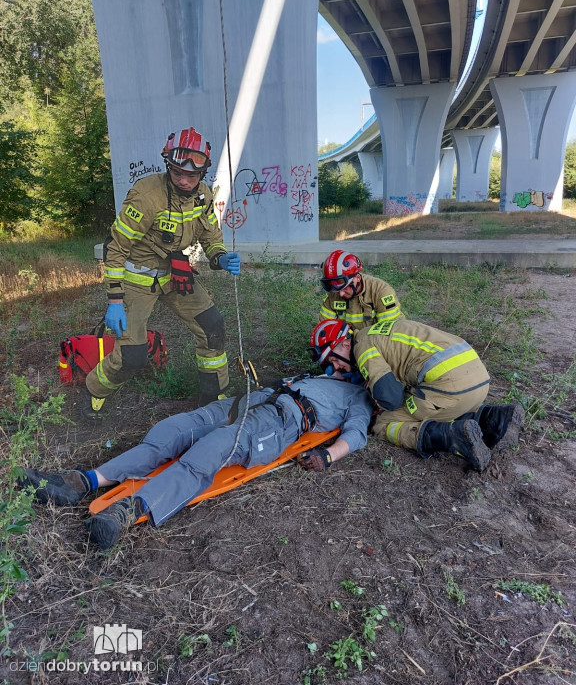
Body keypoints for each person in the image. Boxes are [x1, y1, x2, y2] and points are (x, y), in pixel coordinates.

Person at [22, 375, 373, 549]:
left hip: (278, 424)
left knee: (210, 449)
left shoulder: (357, 396)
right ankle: (83, 482)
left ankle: (130, 509)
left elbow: (357, 434)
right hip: (251, 401)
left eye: (337, 347)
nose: (329, 352)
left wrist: (327, 455)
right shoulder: (318, 373)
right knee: (172, 430)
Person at [84, 126, 241, 419]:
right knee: (132, 357)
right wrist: (115, 301)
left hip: (174, 274)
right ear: (168, 165)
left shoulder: (203, 196)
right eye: (177, 172)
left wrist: (220, 257)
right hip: (135, 280)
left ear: (203, 172)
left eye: (191, 175)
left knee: (213, 327)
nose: (183, 180)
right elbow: (116, 249)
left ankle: (213, 398)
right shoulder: (146, 195)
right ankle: (94, 389)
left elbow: (210, 237)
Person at [310, 318, 525, 472]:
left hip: (450, 387)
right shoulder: (377, 332)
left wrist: (374, 394)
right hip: (477, 380)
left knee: (383, 423)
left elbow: (391, 398)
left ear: (345, 343)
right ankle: (495, 419)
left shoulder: (363, 348)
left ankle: (452, 436)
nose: (336, 367)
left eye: (333, 360)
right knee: (431, 402)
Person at [319, 250, 404, 331]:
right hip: (346, 344)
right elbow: (324, 329)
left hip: (375, 343)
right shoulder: (332, 295)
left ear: (357, 278)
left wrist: (356, 339)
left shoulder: (381, 292)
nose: (340, 294)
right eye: (337, 289)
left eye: (345, 287)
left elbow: (389, 334)